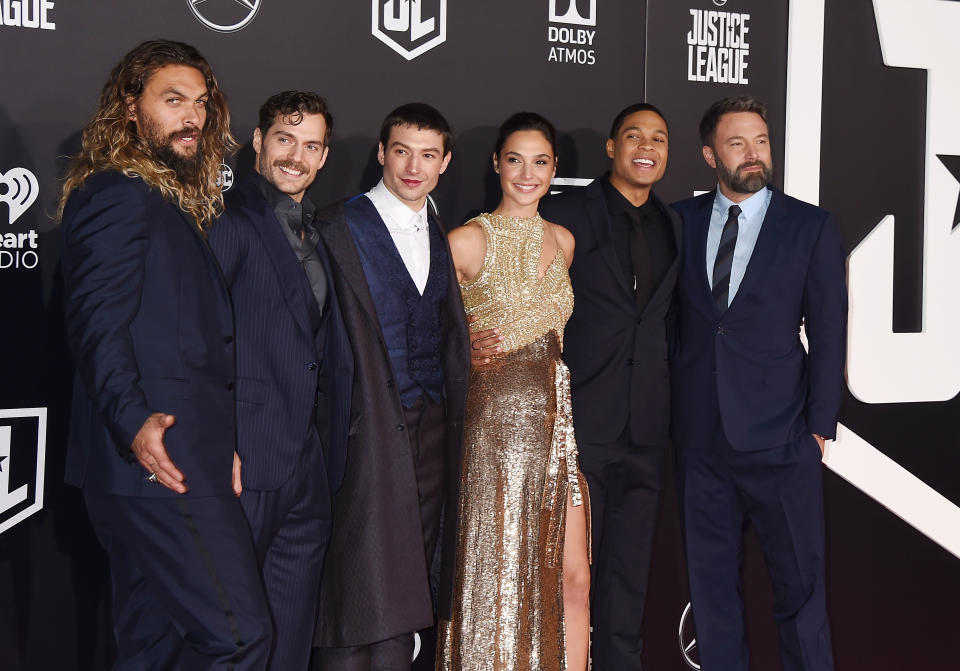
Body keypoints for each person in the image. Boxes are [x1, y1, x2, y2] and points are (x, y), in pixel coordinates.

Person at [59, 39, 272, 669]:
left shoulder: (165, 200)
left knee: (156, 652)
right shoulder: (118, 193)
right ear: (129, 108)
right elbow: (97, 322)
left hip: (178, 456)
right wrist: (134, 423)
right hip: (158, 465)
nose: (193, 118)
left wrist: (217, 441)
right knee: (241, 639)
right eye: (172, 100)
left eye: (201, 104)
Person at [472, 103, 680, 670]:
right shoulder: (561, 216)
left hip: (645, 430)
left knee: (627, 583)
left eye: (658, 138)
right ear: (610, 147)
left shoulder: (674, 222)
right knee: (563, 581)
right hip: (570, 426)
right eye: (633, 135)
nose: (646, 146)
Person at [670, 95, 847, 671]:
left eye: (761, 141)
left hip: (783, 439)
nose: (753, 154)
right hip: (701, 443)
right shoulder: (679, 222)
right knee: (714, 595)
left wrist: (818, 430)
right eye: (737, 143)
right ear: (709, 154)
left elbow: (828, 331)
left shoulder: (810, 226)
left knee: (801, 593)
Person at [310, 103, 470, 671]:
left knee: (410, 584)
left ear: (445, 162)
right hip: (361, 434)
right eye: (401, 151)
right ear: (381, 153)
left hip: (431, 434)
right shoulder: (332, 226)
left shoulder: (440, 231)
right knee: (356, 586)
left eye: (428, 155)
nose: (413, 166)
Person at [437, 112, 591, 671]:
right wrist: (457, 351)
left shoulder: (565, 242)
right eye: (515, 160)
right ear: (496, 164)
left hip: (557, 427)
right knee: (494, 581)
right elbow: (415, 336)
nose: (528, 174)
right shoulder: (465, 241)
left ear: (555, 169)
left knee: (572, 576)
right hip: (492, 432)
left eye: (541, 161)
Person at [207, 91, 353, 670]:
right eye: (285, 140)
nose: (297, 156)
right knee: (234, 637)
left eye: (311, 145)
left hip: (304, 468)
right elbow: (200, 342)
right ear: (259, 142)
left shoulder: (317, 231)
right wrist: (219, 444)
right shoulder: (227, 221)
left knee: (290, 641)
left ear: (323, 156)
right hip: (243, 464)